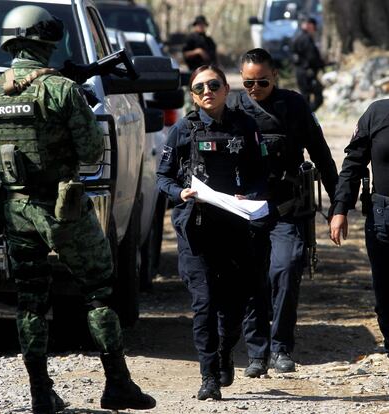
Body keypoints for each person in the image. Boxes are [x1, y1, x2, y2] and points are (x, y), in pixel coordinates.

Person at [0, 5, 155, 414]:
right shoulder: (60, 89)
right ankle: (117, 385)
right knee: (98, 291)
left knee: (31, 300)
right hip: (63, 210)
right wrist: (81, 102)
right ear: (46, 41)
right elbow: (93, 153)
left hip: (16, 209)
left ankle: (41, 392)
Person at [157, 64, 270, 400]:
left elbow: (261, 174)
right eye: (199, 88)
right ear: (193, 96)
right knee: (204, 303)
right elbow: (163, 178)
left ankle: (224, 354)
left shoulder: (245, 126)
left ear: (225, 89)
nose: (207, 91)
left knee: (234, 304)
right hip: (195, 229)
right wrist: (181, 194)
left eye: (214, 85)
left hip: (235, 226)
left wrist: (247, 196)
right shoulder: (183, 130)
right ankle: (208, 377)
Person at [228, 48, 338, 376]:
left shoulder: (294, 105)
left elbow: (321, 154)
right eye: (248, 82)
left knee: (287, 269)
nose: (255, 88)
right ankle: (257, 352)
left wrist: (339, 205)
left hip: (286, 207)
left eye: (262, 81)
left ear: (275, 75)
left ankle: (281, 346)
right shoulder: (233, 107)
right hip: (246, 209)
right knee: (251, 280)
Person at [330, 100, 389, 355]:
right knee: (386, 287)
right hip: (384, 215)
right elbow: (353, 163)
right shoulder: (377, 113)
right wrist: (340, 208)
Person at [291, 16, 324, 112]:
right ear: (309, 25)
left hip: (301, 72)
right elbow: (312, 57)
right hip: (307, 72)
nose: (314, 30)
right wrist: (321, 65)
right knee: (317, 97)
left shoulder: (297, 36)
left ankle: (306, 117)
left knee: (305, 97)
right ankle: (307, 116)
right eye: (314, 27)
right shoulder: (305, 39)